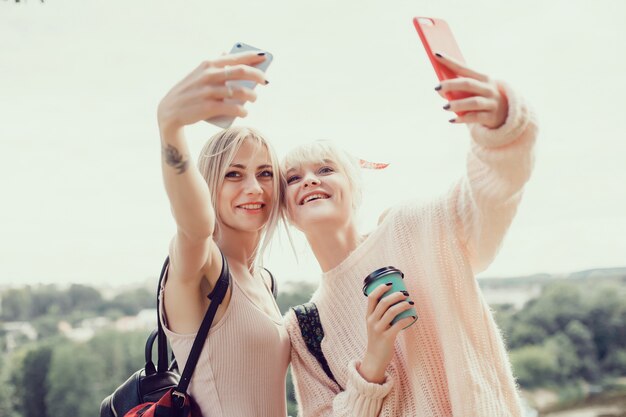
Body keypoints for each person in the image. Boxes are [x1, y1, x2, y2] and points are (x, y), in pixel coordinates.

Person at [282, 52, 538, 416]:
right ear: (286, 209)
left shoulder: (413, 227)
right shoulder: (304, 327)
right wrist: (372, 362)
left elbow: (491, 194)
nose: (309, 179)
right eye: (293, 178)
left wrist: (500, 128)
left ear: (355, 188)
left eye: (326, 169)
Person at [156, 51, 290, 417]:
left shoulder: (263, 280)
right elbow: (195, 225)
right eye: (234, 174)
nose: (254, 188)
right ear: (208, 185)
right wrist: (171, 127)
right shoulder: (203, 266)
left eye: (264, 173)